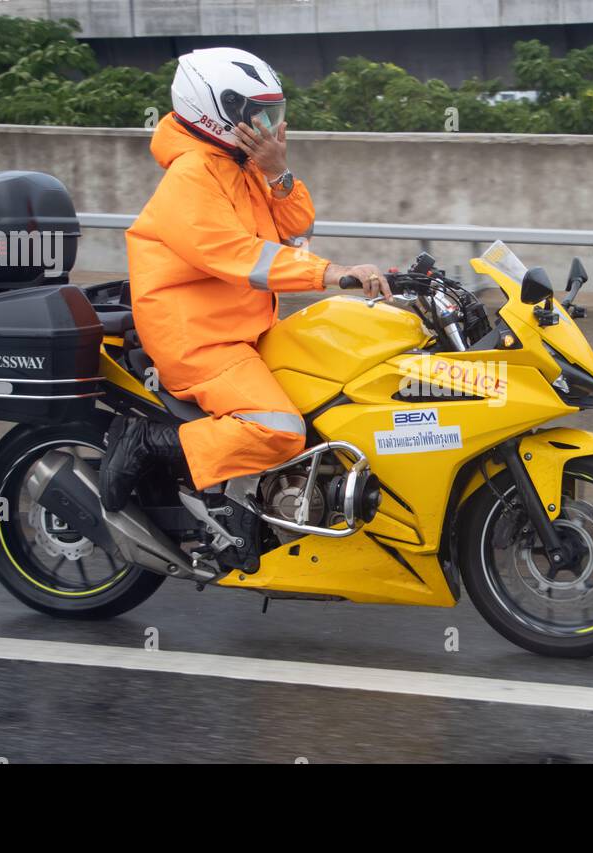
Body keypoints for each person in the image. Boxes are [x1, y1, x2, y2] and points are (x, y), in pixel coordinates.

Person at [99, 47, 390, 563]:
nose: (268, 126)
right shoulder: (192, 175)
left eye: (273, 114)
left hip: (246, 325)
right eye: (257, 114)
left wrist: (279, 173)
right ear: (216, 111)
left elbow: (295, 230)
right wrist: (330, 273)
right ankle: (146, 440)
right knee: (279, 429)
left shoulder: (241, 162)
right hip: (197, 336)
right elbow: (239, 257)